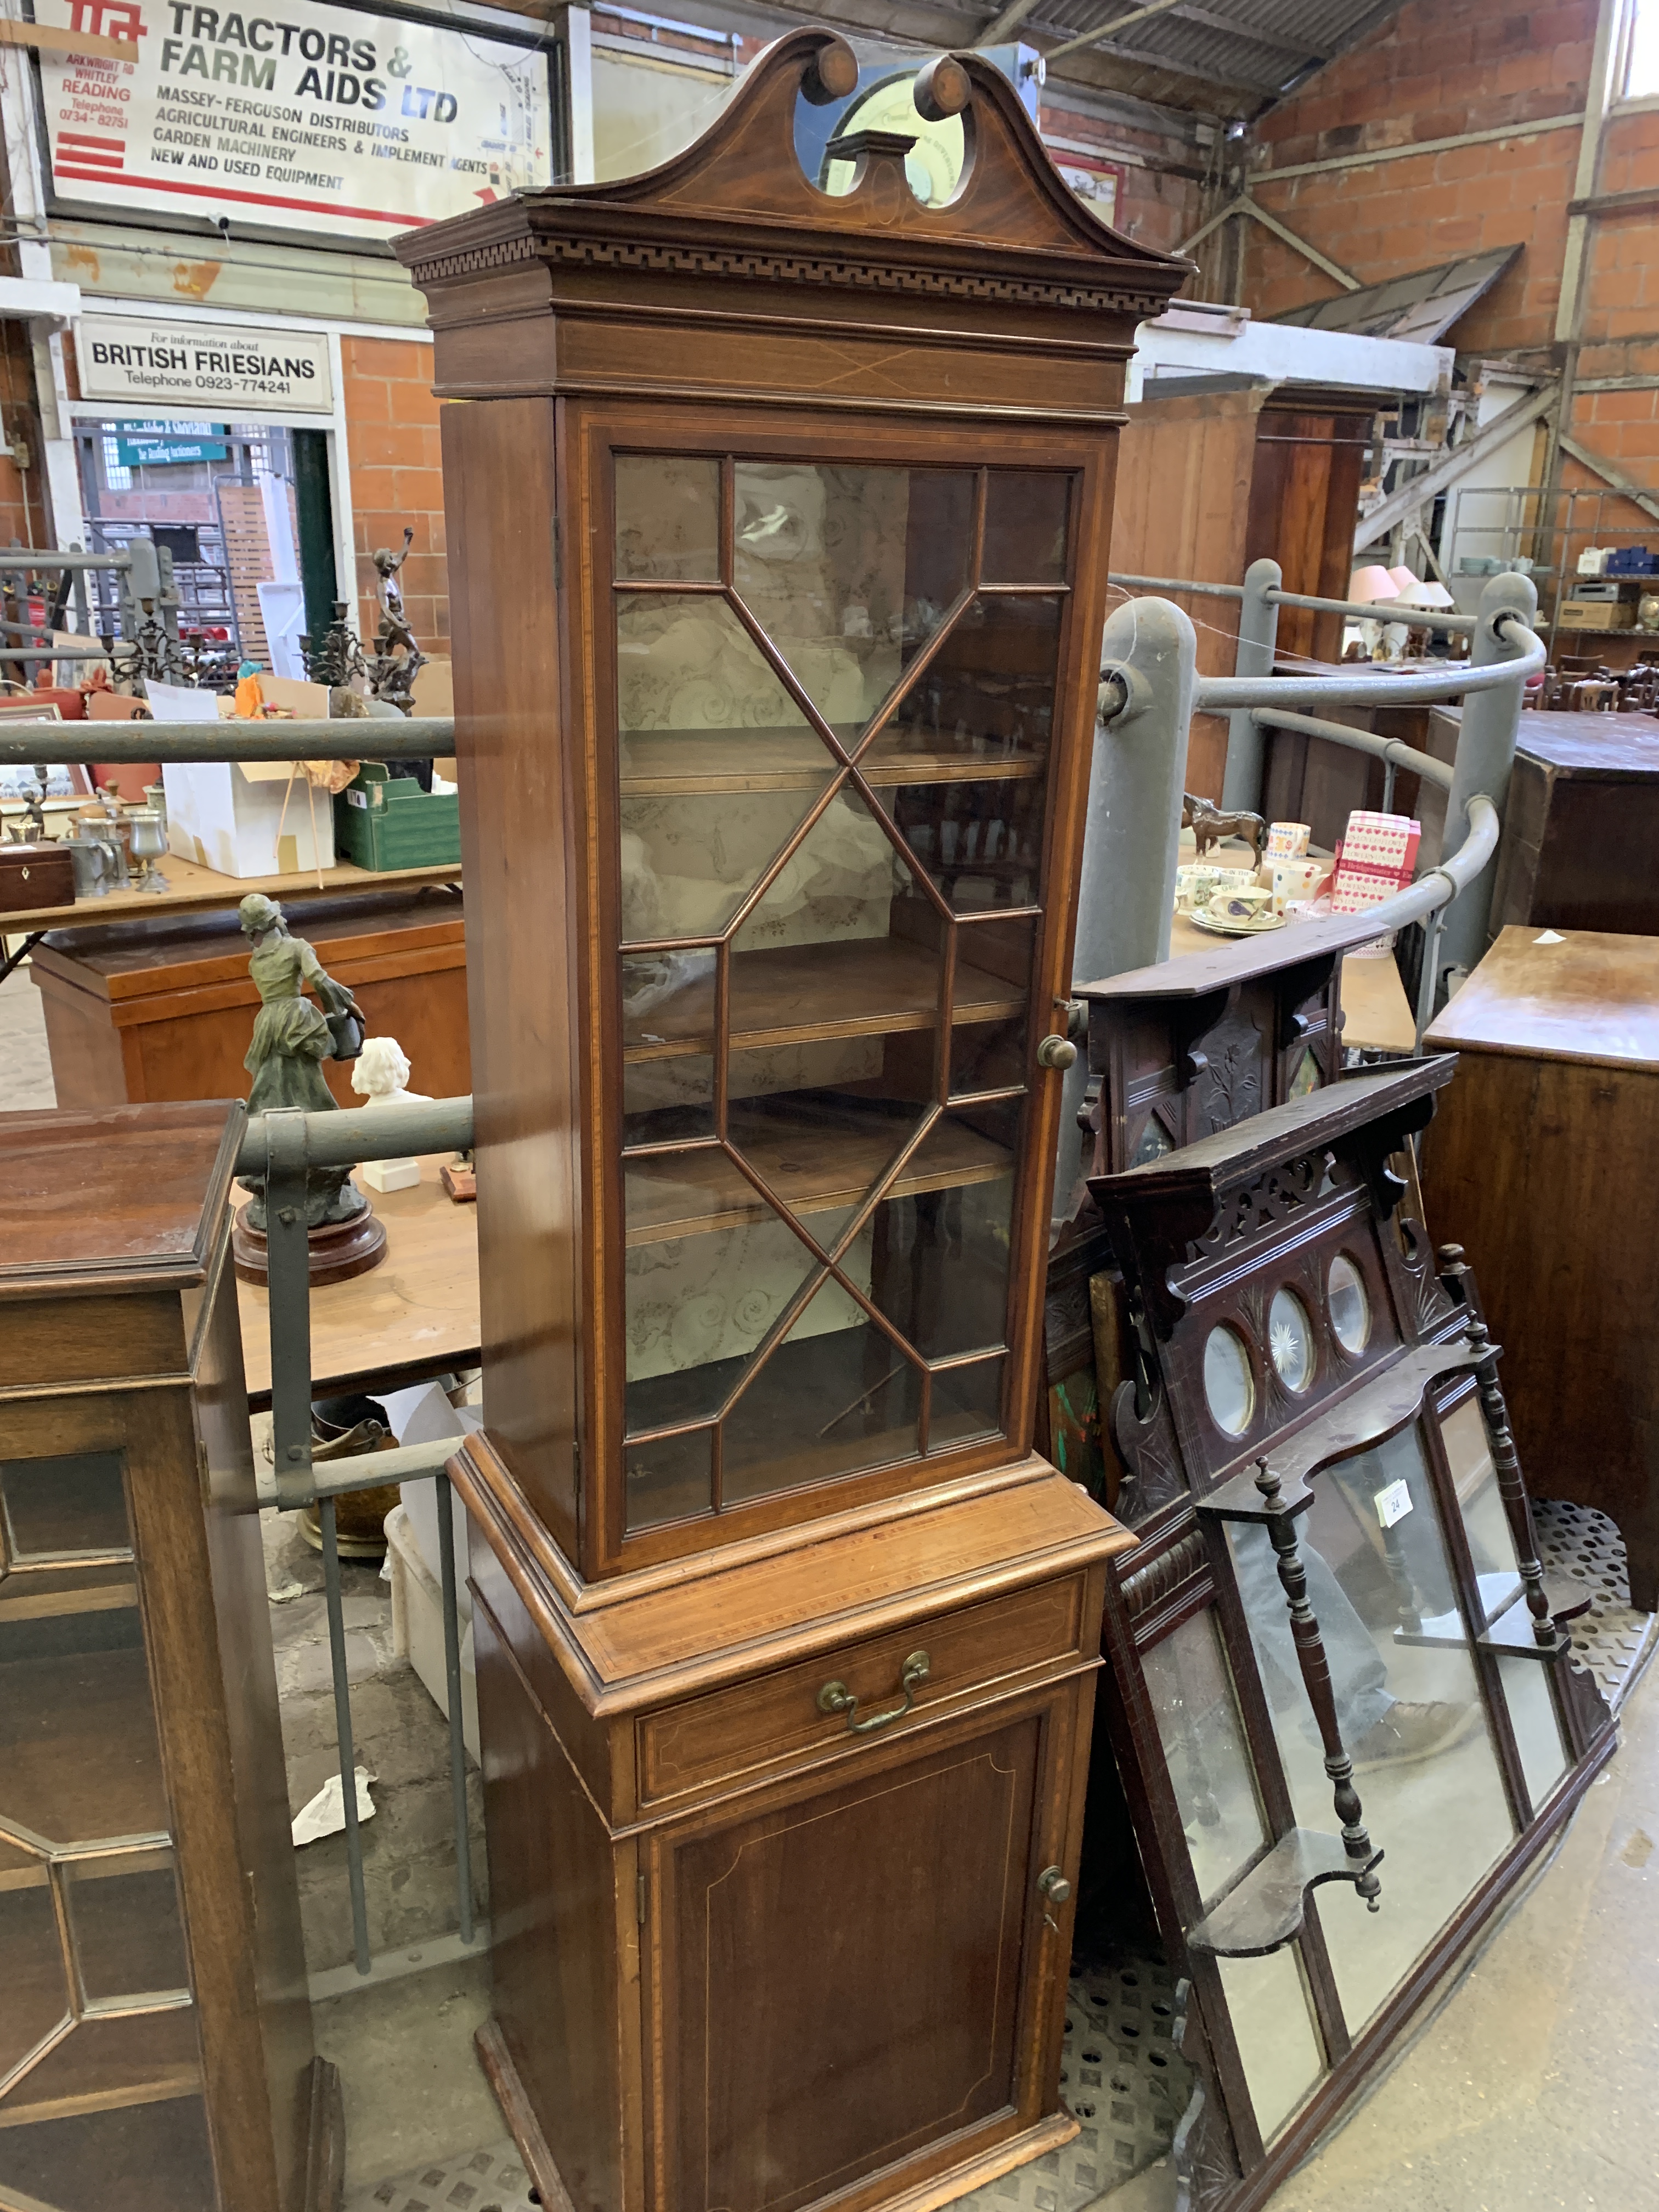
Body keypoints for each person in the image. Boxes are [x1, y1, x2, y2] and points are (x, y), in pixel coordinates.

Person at [238, 893, 368, 1231]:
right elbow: (321, 980)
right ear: (276, 919)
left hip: (268, 1022)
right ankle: (319, 1146)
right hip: (296, 1019)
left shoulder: (256, 961)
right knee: (307, 1085)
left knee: (272, 1082)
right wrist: (343, 1008)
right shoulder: (297, 947)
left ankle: (267, 1144)